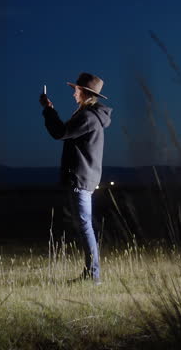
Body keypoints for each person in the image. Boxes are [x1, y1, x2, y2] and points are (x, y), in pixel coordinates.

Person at [40, 72, 112, 284]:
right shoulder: (90, 116)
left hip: (80, 179)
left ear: (85, 93)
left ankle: (93, 275)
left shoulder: (87, 117)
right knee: (84, 224)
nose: (73, 93)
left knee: (84, 225)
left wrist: (48, 110)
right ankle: (92, 274)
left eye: (76, 90)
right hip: (84, 178)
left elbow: (60, 132)